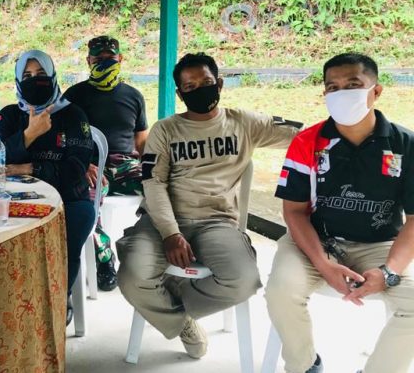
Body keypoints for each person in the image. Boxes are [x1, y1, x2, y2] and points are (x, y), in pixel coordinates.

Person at [116, 53, 302, 359]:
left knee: (243, 280)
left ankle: (173, 304)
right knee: (132, 278)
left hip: (217, 222)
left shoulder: (243, 123)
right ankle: (183, 323)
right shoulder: (166, 130)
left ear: (220, 84)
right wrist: (171, 233)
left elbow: (301, 134)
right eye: (190, 86)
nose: (199, 90)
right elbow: (153, 183)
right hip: (162, 220)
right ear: (180, 94)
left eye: (206, 82)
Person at [266, 53, 414, 373]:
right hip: (315, 242)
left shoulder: (406, 144)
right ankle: (305, 365)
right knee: (280, 290)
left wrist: (389, 271)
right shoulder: (307, 142)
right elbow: (294, 212)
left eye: (353, 84)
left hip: (380, 245)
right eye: (332, 87)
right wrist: (324, 264)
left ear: (376, 91)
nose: (342, 93)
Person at [0, 50, 95, 325]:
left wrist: (29, 168)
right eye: (27, 76)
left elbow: (76, 170)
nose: (34, 80)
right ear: (17, 80)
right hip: (15, 200)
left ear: (52, 76)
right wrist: (29, 134)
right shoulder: (9, 115)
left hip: (69, 199)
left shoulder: (73, 115)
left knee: (69, 234)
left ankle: (59, 300)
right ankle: (12, 300)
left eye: (40, 74)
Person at [64, 35, 148, 291]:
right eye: (98, 59)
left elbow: (142, 141)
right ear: (88, 61)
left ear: (120, 59)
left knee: (161, 187)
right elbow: (62, 138)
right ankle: (104, 260)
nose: (104, 63)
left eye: (110, 58)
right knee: (86, 201)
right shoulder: (74, 96)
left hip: (125, 165)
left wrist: (151, 168)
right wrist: (81, 165)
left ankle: (145, 248)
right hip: (89, 165)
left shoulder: (133, 96)